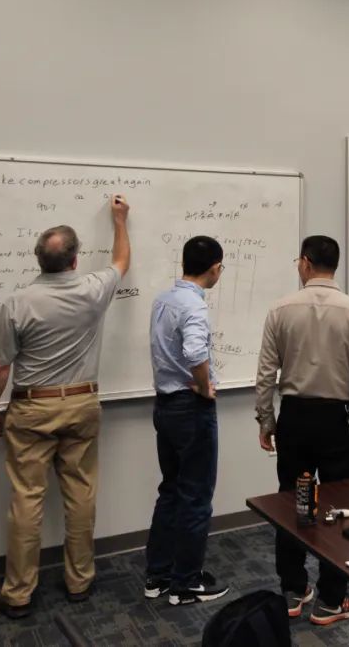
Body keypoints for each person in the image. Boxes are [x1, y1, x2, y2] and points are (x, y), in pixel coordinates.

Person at [0, 196, 130, 619]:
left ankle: (18, 593)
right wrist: (120, 220)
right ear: (75, 259)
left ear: (38, 260)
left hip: (32, 408)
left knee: (27, 500)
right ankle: (80, 581)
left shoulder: (18, 302)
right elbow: (121, 261)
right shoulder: (92, 290)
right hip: (82, 404)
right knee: (80, 495)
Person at [255, 235, 349, 626]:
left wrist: (266, 421)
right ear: (334, 265)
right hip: (337, 419)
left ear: (305, 263)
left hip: (294, 418)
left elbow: (266, 374)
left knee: (293, 502)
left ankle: (293, 591)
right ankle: (331, 599)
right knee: (339, 507)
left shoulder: (280, 310)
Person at [144, 236, 230, 606]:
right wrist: (205, 387)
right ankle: (186, 583)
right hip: (190, 409)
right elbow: (195, 352)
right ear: (215, 268)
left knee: (171, 490)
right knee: (196, 497)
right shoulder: (194, 306)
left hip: (165, 406)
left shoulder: (163, 299)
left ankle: (158, 576)